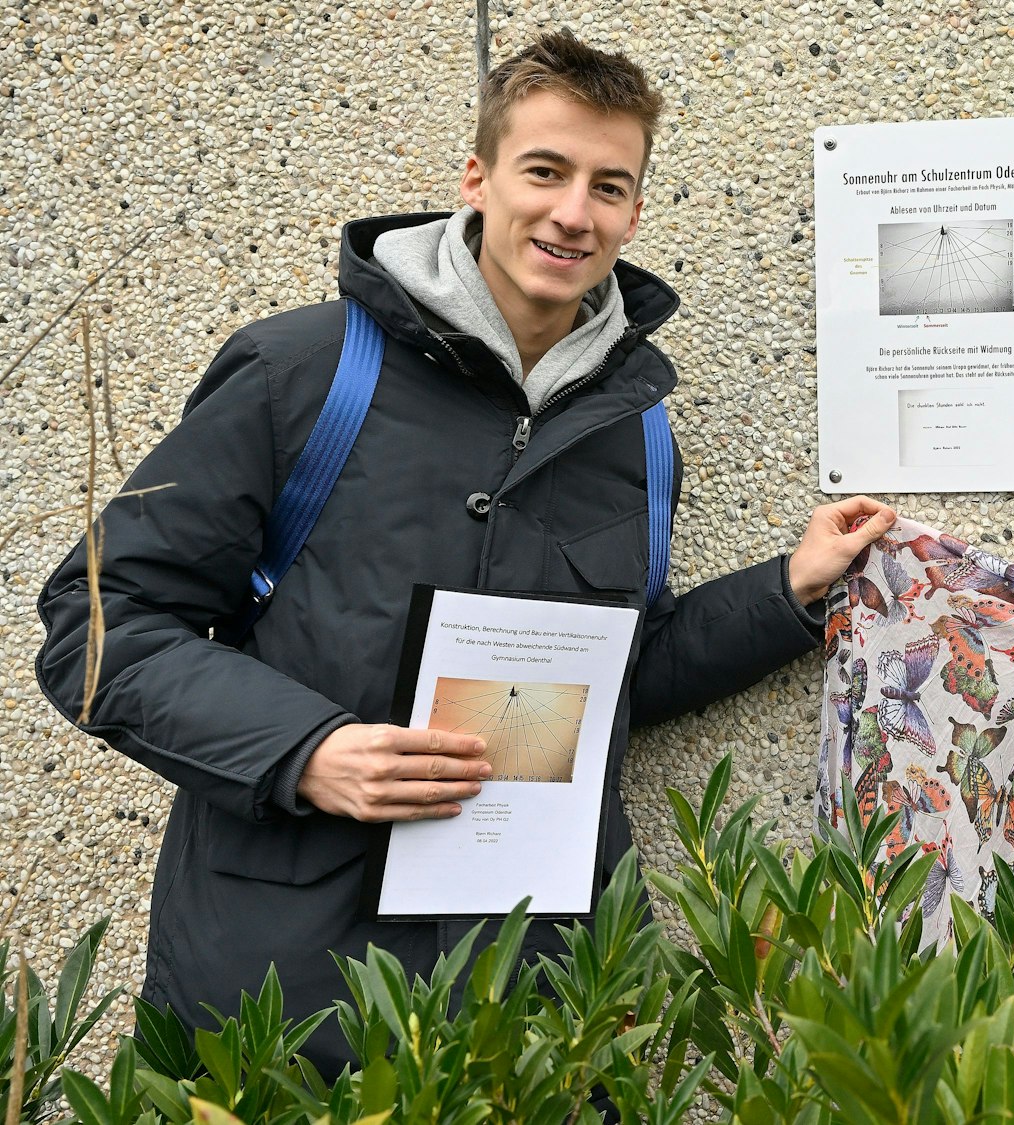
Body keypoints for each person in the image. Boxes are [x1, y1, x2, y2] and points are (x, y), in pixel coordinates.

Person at [36, 31, 892, 1073]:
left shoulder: (636, 430)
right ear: (478, 179)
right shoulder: (302, 372)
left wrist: (785, 593)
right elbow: (99, 625)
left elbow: (603, 689)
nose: (573, 213)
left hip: (532, 1004)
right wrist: (305, 752)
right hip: (283, 992)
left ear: (633, 212)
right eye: (545, 171)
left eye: (608, 186)